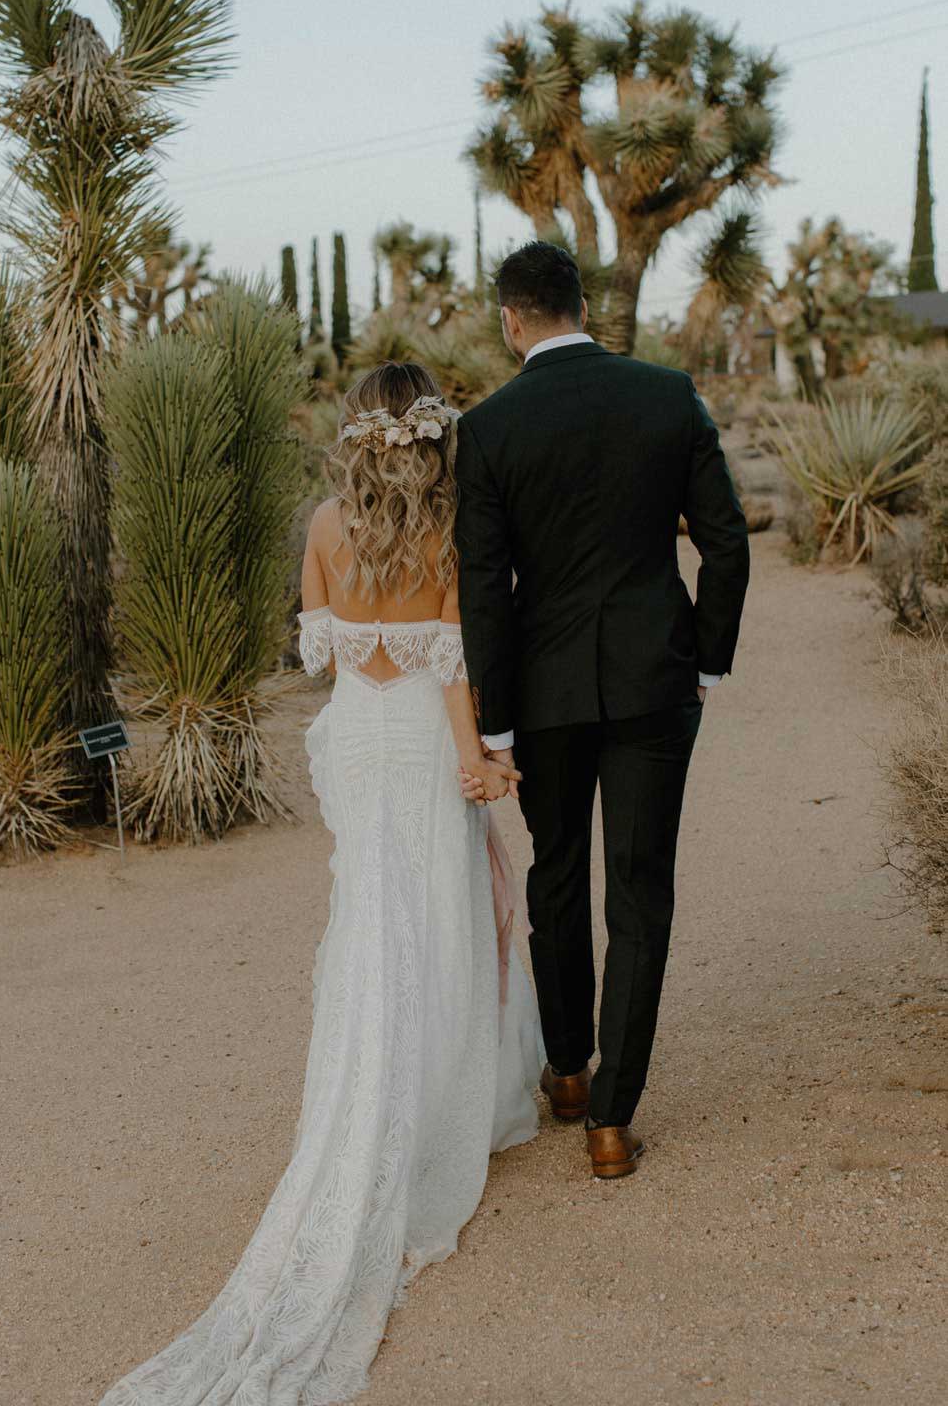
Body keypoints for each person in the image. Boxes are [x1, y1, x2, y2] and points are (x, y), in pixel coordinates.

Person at [99, 361, 543, 1406]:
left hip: (353, 740)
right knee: (435, 916)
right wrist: (479, 761)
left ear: (354, 433)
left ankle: (367, 1069)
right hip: (423, 747)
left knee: (370, 917)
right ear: (430, 433)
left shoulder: (320, 524)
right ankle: (433, 1094)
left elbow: (318, 655)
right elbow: (452, 667)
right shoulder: (447, 532)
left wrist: (363, 630)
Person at [455, 240, 750, 1180]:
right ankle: (611, 1122)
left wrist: (493, 721)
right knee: (639, 890)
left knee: (558, 879)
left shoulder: (489, 426)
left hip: (541, 695)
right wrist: (704, 662)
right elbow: (726, 543)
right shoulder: (666, 395)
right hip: (653, 680)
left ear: (512, 321)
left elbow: (484, 588)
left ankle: (569, 1070)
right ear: (583, 306)